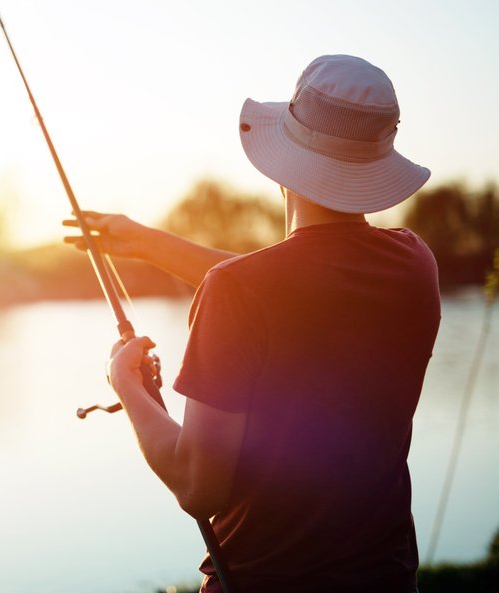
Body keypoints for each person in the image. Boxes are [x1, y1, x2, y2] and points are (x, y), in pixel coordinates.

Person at [65, 55, 441, 593]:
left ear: (283, 159)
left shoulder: (240, 292)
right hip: (385, 578)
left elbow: (199, 488)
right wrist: (147, 243)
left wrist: (126, 385)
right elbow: (292, 285)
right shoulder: (414, 264)